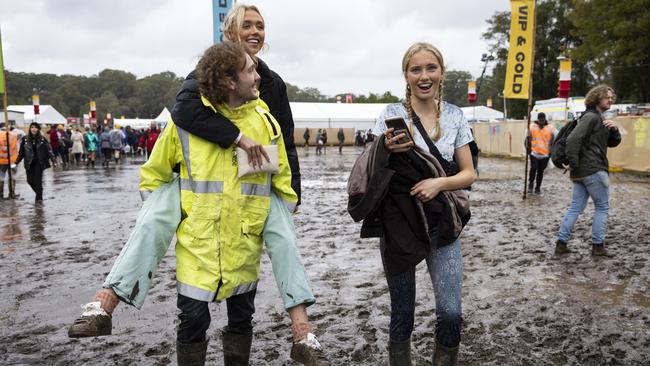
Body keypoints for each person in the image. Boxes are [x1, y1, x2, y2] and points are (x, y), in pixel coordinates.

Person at [69, 5, 328, 365]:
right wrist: (178, 207)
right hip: (200, 233)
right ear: (227, 69)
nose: (255, 33)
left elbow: (284, 147)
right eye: (246, 26)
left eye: (260, 26)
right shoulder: (192, 97)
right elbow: (169, 143)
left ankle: (303, 333)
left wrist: (287, 200)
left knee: (254, 292)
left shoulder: (270, 93)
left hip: (244, 225)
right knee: (163, 229)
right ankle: (105, 301)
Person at [369, 42, 475, 365]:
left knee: (451, 313)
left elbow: (470, 174)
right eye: (416, 69)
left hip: (442, 224)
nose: (424, 76)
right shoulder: (391, 114)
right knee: (402, 314)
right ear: (406, 75)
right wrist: (384, 149)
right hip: (400, 224)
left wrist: (438, 183)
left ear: (441, 72)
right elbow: (371, 171)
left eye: (431, 68)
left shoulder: (456, 116)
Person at [555, 84, 621, 257]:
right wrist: (574, 163)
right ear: (597, 97)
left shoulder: (599, 118)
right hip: (593, 169)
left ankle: (561, 244)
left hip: (581, 173)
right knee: (602, 207)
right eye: (607, 97)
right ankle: (598, 246)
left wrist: (614, 130)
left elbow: (612, 143)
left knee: (575, 208)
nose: (611, 100)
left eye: (612, 97)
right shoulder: (592, 117)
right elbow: (572, 140)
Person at [15, 122, 56, 202]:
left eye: (35, 127)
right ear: (30, 129)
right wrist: (16, 162)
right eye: (32, 127)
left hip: (39, 162)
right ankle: (39, 193)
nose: (34, 129)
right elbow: (21, 153)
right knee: (29, 180)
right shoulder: (25, 139)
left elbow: (49, 150)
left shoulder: (42, 139)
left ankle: (39, 199)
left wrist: (53, 159)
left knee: (37, 180)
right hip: (29, 163)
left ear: (38, 129)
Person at [526, 112, 555, 194]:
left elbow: (553, 141)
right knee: (533, 168)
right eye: (540, 120)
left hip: (545, 155)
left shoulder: (550, 128)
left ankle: (538, 187)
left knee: (540, 171)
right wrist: (528, 150)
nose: (541, 122)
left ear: (544, 119)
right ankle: (530, 184)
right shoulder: (532, 127)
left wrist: (551, 152)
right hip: (534, 153)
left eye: (543, 120)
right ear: (538, 120)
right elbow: (527, 139)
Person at [0, 123, 20, 199]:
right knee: (12, 177)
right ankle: (11, 194)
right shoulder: (14, 135)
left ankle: (0, 195)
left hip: (1, 161)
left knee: (1, 177)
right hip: (12, 161)